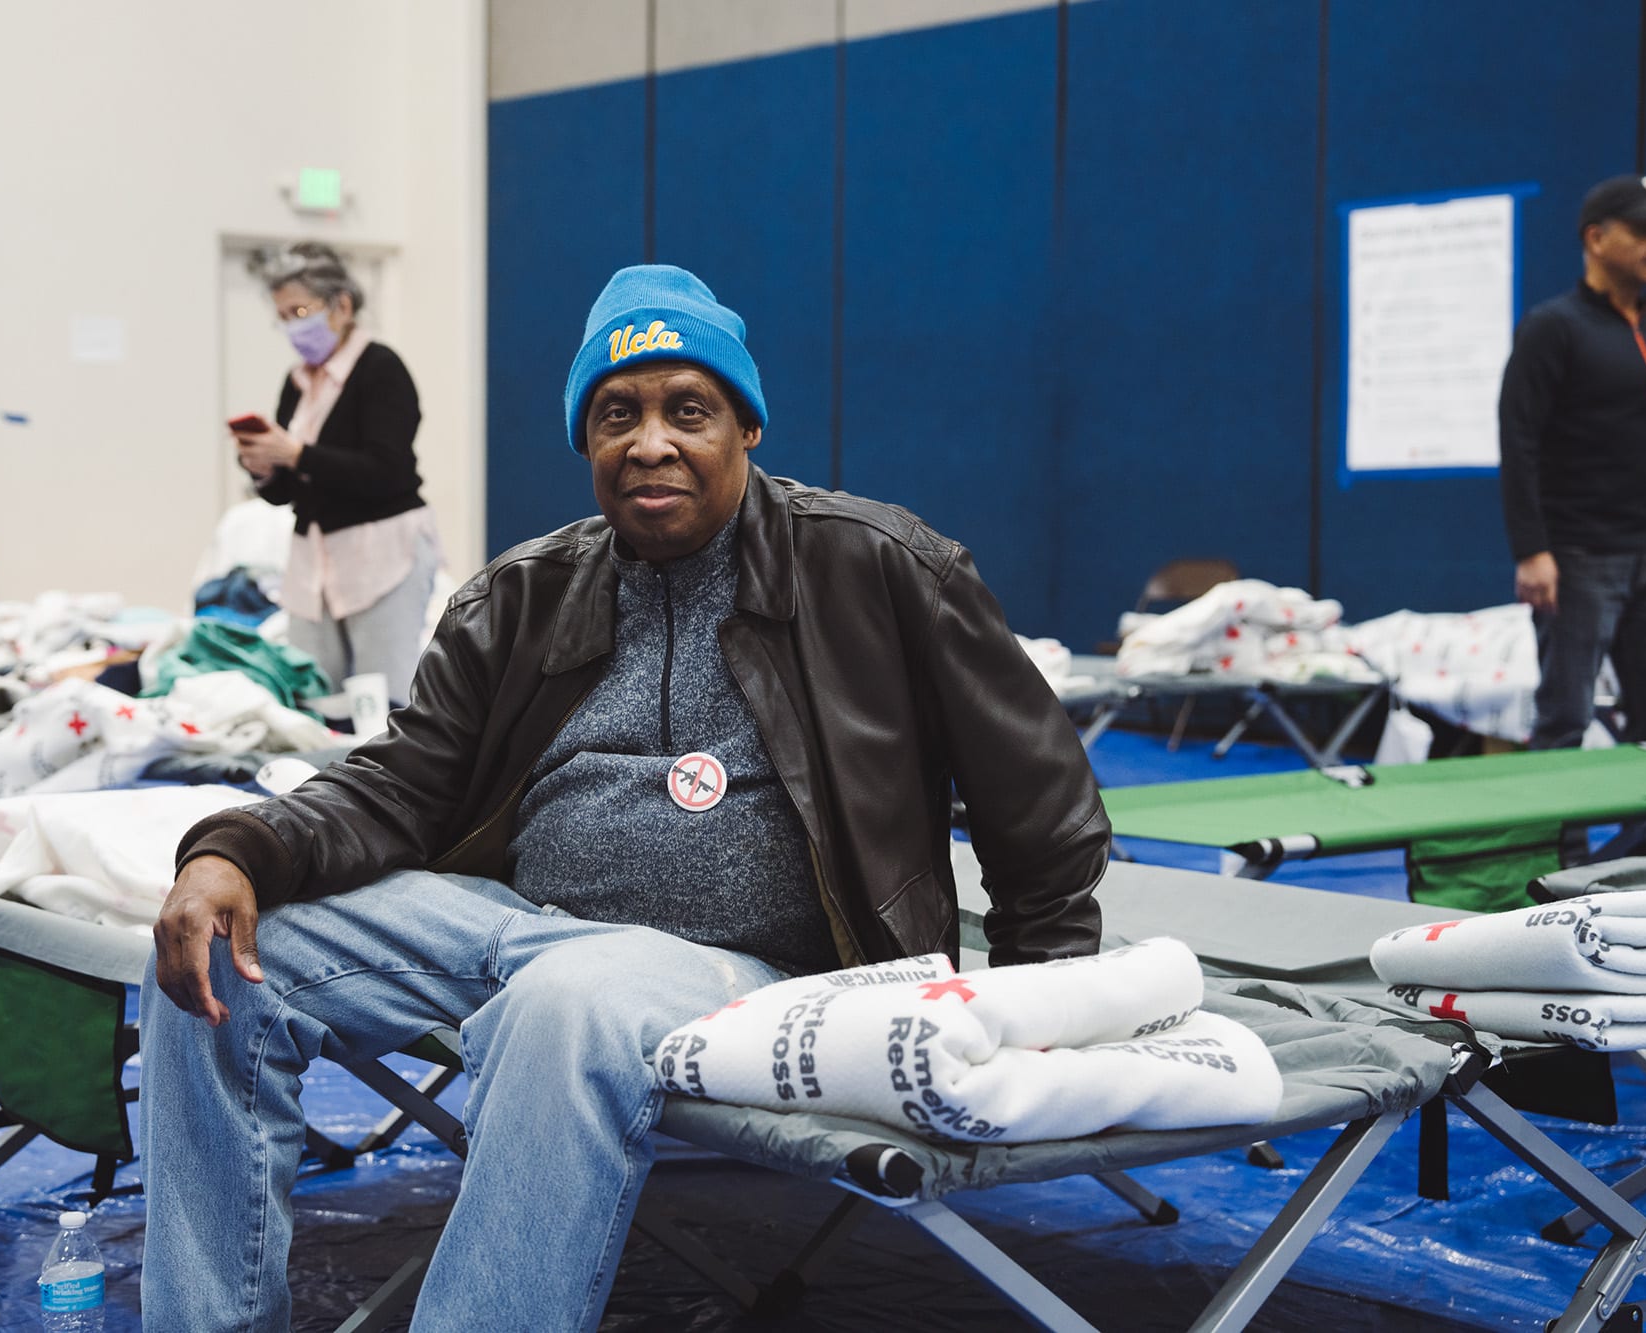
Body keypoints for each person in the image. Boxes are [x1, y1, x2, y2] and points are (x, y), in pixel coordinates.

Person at [140, 264, 1110, 1330]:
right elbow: (404, 780)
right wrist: (235, 850)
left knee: (574, 1001)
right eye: (616, 415)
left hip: (771, 974)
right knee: (225, 948)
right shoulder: (521, 593)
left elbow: (1043, 808)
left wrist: (1033, 1016)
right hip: (516, 928)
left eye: (685, 409)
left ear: (743, 426)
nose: (649, 441)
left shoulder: (880, 567)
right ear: (586, 442)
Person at [1499, 175, 1646, 790]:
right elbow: (1517, 441)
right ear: (1596, 239)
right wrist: (1532, 551)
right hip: (1576, 560)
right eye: (1643, 230)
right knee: (1565, 722)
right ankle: (1558, 869)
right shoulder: (1554, 328)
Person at [231, 242, 441, 701]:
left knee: (383, 700)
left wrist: (297, 453)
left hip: (382, 551)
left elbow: (386, 469)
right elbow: (287, 490)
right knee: (313, 691)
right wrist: (265, 468)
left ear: (341, 305)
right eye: (282, 316)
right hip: (315, 558)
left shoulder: (381, 369)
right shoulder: (297, 380)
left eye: (300, 310)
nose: (292, 326)